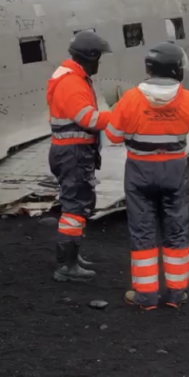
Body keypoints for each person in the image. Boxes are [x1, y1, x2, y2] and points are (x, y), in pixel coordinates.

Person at [105, 41, 189, 309]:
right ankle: (176, 294)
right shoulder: (187, 99)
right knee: (176, 230)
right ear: (175, 69)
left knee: (143, 232)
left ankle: (146, 297)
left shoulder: (130, 98)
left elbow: (112, 135)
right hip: (175, 171)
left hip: (139, 171)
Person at [46, 30, 112, 281]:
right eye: (98, 58)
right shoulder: (72, 82)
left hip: (73, 153)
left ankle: (72, 256)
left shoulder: (72, 76)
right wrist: (120, 116)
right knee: (74, 208)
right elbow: (88, 119)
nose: (99, 63)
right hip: (73, 154)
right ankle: (66, 265)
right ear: (90, 56)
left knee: (79, 205)